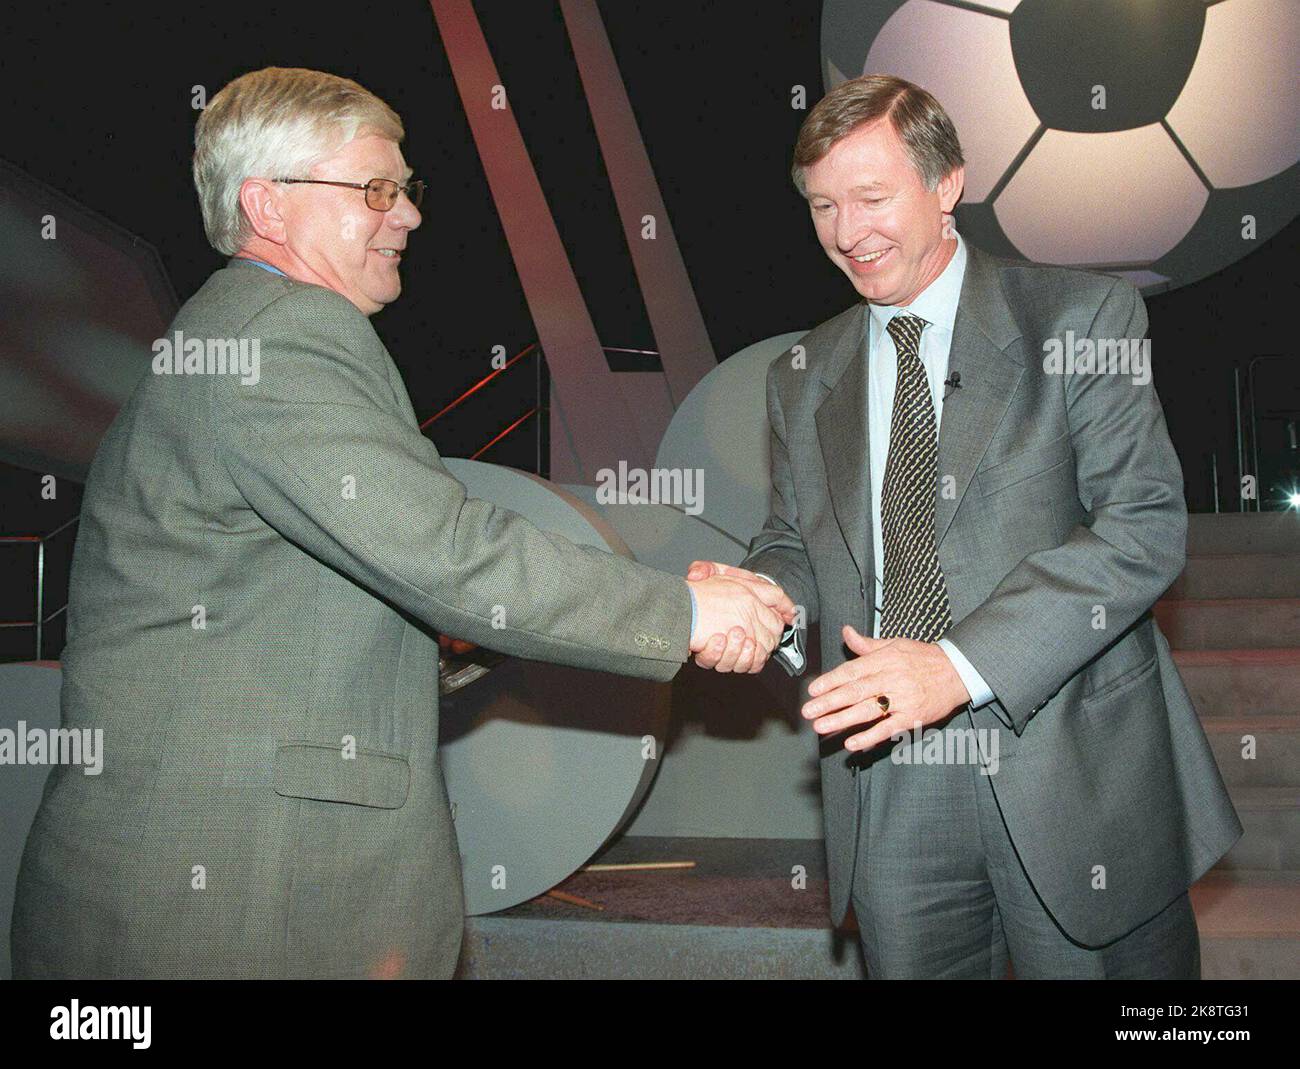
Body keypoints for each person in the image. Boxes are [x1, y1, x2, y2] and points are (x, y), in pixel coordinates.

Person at [10, 66, 793, 979]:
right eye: (376, 189)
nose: (409, 214)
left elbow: (337, 593)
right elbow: (443, 547)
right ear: (268, 205)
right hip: (240, 897)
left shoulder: (240, 334)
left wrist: (460, 636)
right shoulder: (281, 335)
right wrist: (685, 613)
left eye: (406, 189)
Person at [690, 74, 1241, 979]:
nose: (847, 231)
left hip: (1071, 766)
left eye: (872, 197)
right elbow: (796, 536)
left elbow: (1142, 527)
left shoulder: (1080, 316)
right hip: (891, 780)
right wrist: (762, 597)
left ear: (947, 186)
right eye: (824, 205)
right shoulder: (802, 370)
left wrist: (956, 666)